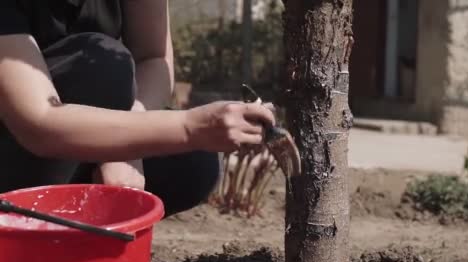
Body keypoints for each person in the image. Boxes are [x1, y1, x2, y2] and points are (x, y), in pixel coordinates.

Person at [0, 1, 276, 217]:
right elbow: (39, 122)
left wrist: (126, 149)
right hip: (20, 138)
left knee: (194, 163)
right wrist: (192, 127)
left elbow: (153, 57)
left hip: (69, 136)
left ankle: (74, 232)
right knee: (102, 66)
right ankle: (27, 235)